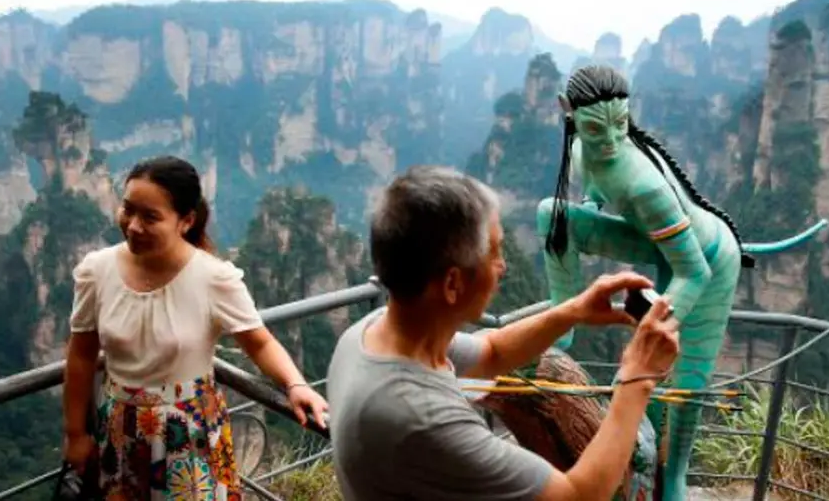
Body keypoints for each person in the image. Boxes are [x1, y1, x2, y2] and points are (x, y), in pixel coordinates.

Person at [326, 165, 680, 501]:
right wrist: (638, 377)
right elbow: (578, 495)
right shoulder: (423, 420)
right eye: (494, 252)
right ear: (453, 283)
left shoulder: (375, 331)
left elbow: (493, 351)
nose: (503, 266)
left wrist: (574, 310)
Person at [61, 155, 329, 500]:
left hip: (189, 433)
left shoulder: (213, 278)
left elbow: (259, 342)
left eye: (150, 217)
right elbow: (81, 355)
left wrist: (295, 384)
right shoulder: (96, 271)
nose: (133, 226)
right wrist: (75, 434)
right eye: (128, 209)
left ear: (186, 221)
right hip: (119, 429)